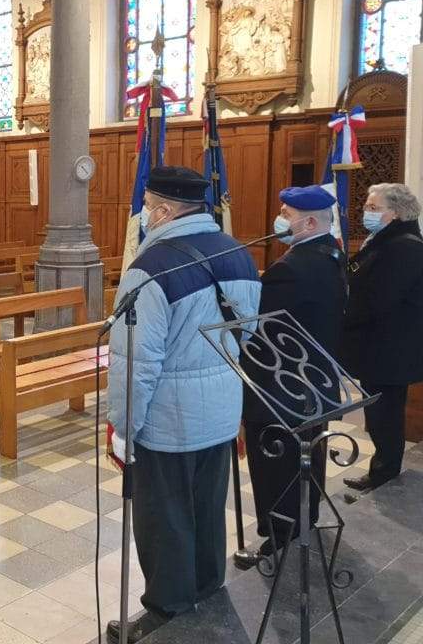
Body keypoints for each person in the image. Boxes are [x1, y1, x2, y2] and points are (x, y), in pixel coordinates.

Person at [105, 166, 261, 642]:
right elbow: (247, 332)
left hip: (169, 420)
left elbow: (135, 361)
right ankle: (207, 587)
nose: (143, 214)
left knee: (164, 517)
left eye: (147, 206)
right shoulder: (237, 252)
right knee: (208, 506)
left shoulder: (150, 268)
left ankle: (168, 607)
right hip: (221, 409)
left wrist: (123, 427)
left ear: (165, 211)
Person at [240, 186, 347, 561]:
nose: (280, 219)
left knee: (277, 466)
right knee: (308, 459)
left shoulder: (290, 269)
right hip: (314, 382)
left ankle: (280, 537)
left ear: (311, 222)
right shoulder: (332, 253)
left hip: (280, 388)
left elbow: (260, 330)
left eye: (286, 214)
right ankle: (306, 519)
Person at [341, 183, 423, 494]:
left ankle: (384, 473)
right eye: (367, 206)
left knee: (384, 414)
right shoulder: (384, 241)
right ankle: (382, 469)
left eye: (374, 208)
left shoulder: (405, 247)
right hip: (379, 345)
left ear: (397, 213)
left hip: (390, 349)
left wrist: (344, 315)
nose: (366, 212)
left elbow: (380, 298)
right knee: (379, 411)